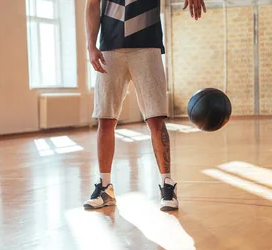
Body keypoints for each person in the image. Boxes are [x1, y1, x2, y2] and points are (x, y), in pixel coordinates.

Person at [83, 0, 206, 211]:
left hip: (147, 47)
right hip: (110, 49)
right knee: (105, 120)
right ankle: (105, 188)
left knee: (156, 120)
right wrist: (91, 45)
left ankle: (167, 184)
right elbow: (92, 5)